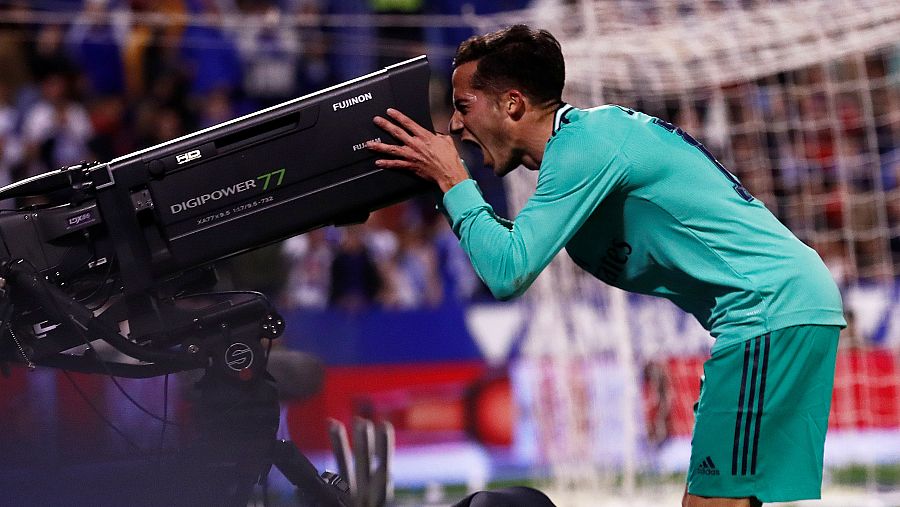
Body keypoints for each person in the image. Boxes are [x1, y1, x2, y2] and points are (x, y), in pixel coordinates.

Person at [366, 25, 846, 507]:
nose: (452, 124)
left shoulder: (585, 144)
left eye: (464, 104)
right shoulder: (582, 157)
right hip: (773, 312)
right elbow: (502, 252)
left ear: (512, 105)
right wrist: (449, 190)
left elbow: (507, 271)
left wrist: (454, 181)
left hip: (766, 312)